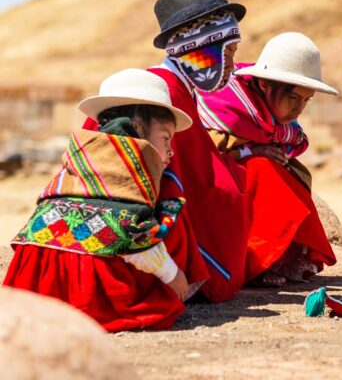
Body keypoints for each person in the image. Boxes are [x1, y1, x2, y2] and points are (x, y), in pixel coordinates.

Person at [3, 69, 208, 331]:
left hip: (33, 285)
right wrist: (173, 275)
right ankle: (168, 293)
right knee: (172, 214)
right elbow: (133, 240)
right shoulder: (124, 170)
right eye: (166, 138)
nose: (170, 151)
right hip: (86, 294)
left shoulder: (84, 157)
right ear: (136, 129)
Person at [197, 32, 339, 286]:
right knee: (262, 169)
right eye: (293, 97)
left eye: (306, 100)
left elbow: (291, 142)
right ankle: (255, 261)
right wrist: (250, 152)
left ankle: (284, 255)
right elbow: (203, 150)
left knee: (284, 172)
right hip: (210, 184)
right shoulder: (227, 106)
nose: (298, 110)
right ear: (265, 85)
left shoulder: (274, 123)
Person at [142, 0, 249, 302]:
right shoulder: (166, 93)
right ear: (200, 50)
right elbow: (197, 181)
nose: (231, 64)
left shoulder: (176, 87)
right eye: (226, 52)